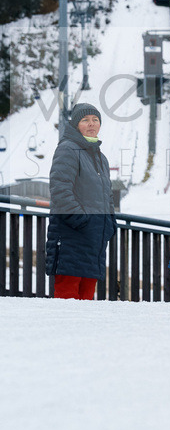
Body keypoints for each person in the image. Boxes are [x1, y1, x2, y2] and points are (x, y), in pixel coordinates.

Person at [45, 103, 117, 300]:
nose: (91, 124)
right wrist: (82, 221)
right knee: (68, 298)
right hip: (72, 236)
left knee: (86, 301)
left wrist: (108, 223)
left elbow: (107, 196)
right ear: (76, 125)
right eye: (85, 120)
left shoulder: (100, 157)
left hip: (94, 238)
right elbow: (60, 191)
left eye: (95, 120)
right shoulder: (68, 149)